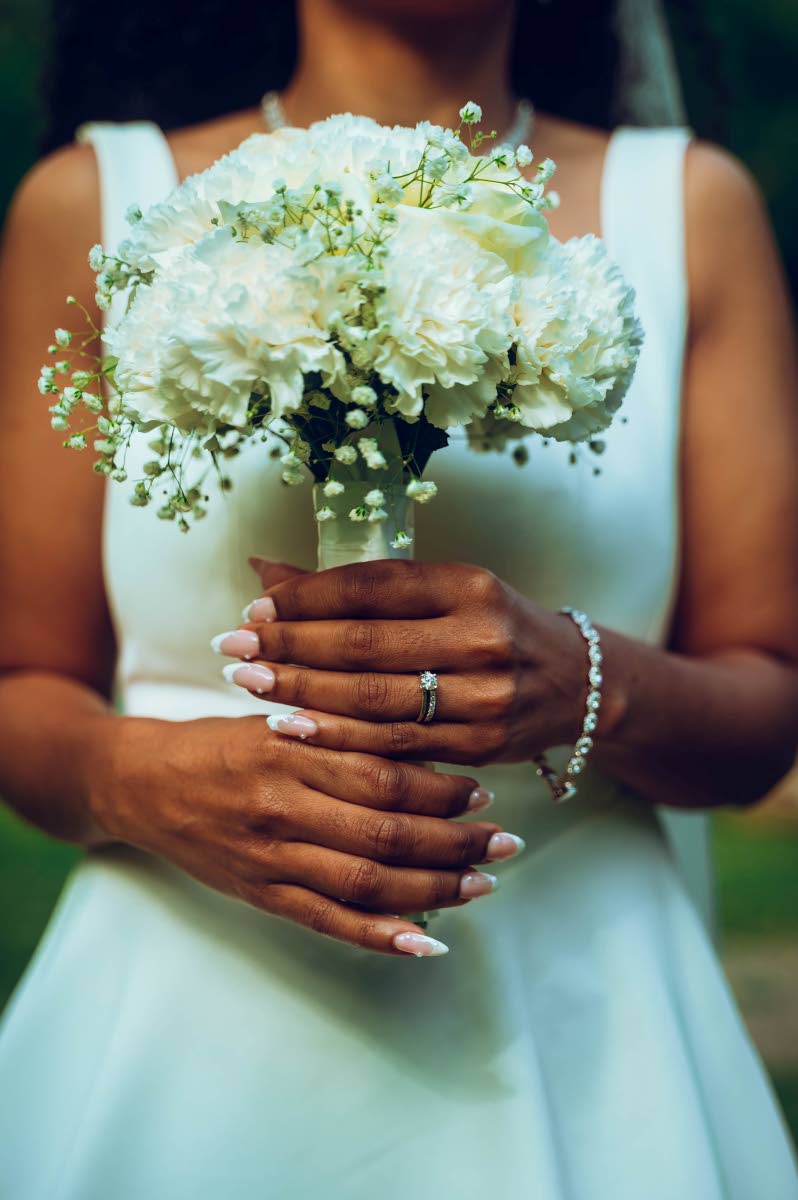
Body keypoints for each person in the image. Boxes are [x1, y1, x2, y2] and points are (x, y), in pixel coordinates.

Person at [1, 0, 797, 1195]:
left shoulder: (687, 212)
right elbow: (20, 684)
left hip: (585, 1031)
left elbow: (768, 704)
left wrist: (584, 682)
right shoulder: (91, 202)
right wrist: (142, 779)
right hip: (184, 1022)